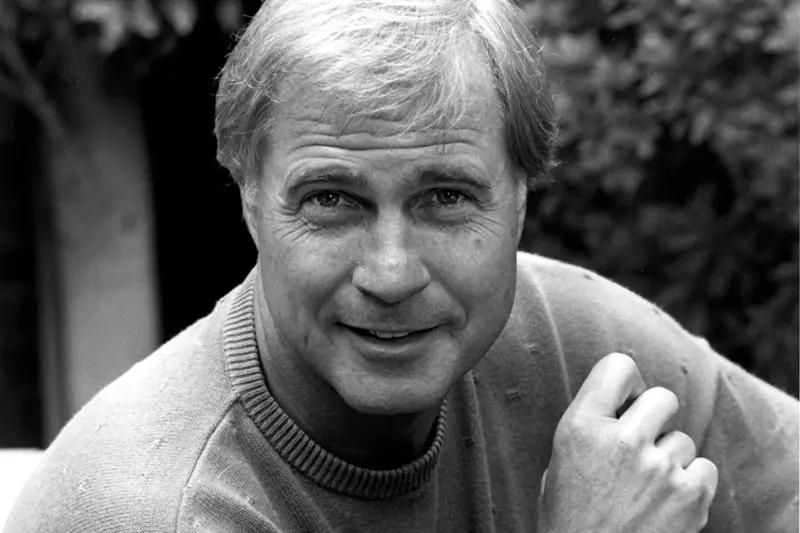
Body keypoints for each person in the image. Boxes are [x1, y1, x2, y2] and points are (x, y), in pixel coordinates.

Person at [5, 0, 798, 531]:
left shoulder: (571, 342)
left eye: (446, 196)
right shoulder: (164, 506)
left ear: (521, 199)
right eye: (332, 200)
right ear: (249, 200)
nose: (391, 273)